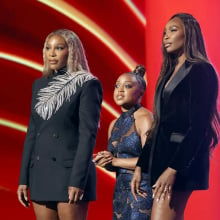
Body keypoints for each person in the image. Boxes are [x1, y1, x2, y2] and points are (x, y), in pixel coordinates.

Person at [131, 13, 220, 220]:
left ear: (188, 34)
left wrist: (173, 169)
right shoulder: (167, 72)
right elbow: (159, 124)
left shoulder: (201, 70)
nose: (165, 37)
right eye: (163, 33)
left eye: (173, 30)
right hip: (162, 160)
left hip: (181, 161)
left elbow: (199, 126)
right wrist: (140, 166)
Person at [17, 29, 103, 220]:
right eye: (48, 48)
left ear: (71, 51)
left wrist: (78, 179)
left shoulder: (86, 83)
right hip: (40, 173)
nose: (52, 53)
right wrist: (23, 179)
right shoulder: (39, 85)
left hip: (70, 173)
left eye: (59, 48)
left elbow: (87, 135)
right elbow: (32, 133)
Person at [93, 65, 153, 220]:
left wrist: (115, 160)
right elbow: (114, 164)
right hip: (120, 192)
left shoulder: (145, 118)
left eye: (127, 86)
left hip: (141, 189)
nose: (120, 90)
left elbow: (151, 160)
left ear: (141, 92)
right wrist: (105, 160)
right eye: (117, 86)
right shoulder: (114, 124)